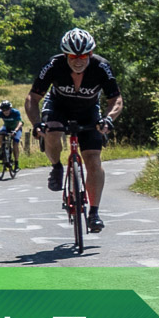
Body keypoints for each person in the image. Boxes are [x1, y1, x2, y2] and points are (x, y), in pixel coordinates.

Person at [26, 28, 123, 233]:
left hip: (88, 111)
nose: (78, 60)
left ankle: (94, 213)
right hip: (58, 107)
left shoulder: (101, 67)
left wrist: (108, 119)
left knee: (93, 159)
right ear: (65, 55)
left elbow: (116, 100)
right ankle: (57, 167)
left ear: (90, 54)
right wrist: (37, 124)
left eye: (83, 56)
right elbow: (32, 98)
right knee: (51, 131)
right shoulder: (54, 65)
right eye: (72, 56)